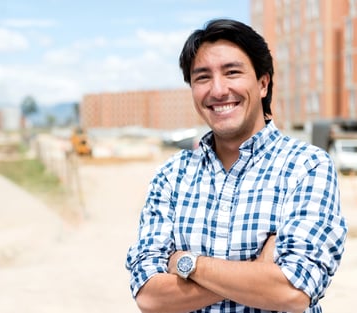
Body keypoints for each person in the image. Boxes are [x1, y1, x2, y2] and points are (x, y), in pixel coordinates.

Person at [125, 18, 348, 313]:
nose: (218, 90)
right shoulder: (171, 176)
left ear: (263, 83)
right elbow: (150, 297)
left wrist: (185, 263)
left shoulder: (305, 167)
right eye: (202, 77)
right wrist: (256, 271)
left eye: (232, 72)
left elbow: (292, 292)